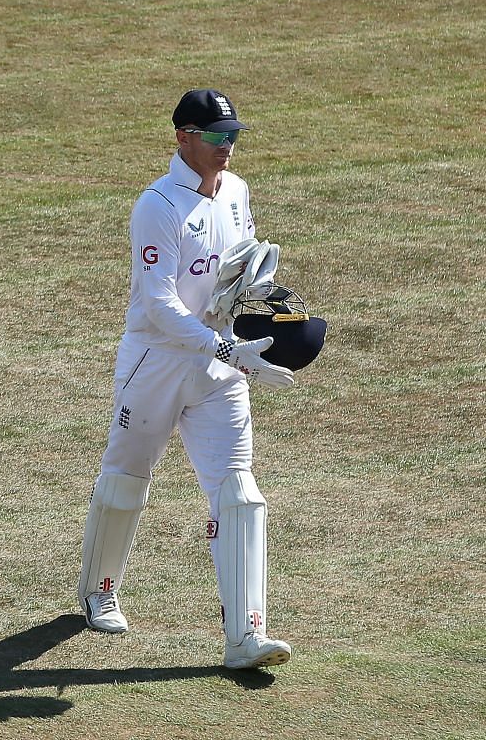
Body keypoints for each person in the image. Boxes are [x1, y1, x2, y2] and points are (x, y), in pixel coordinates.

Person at [77, 88, 299, 670]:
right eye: (217, 136)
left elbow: (240, 271)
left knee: (239, 492)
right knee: (127, 479)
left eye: (233, 136)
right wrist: (224, 344)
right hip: (156, 363)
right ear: (183, 137)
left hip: (220, 366)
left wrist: (269, 309)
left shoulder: (238, 192)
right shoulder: (157, 206)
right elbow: (159, 304)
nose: (228, 147)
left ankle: (245, 635)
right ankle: (100, 590)